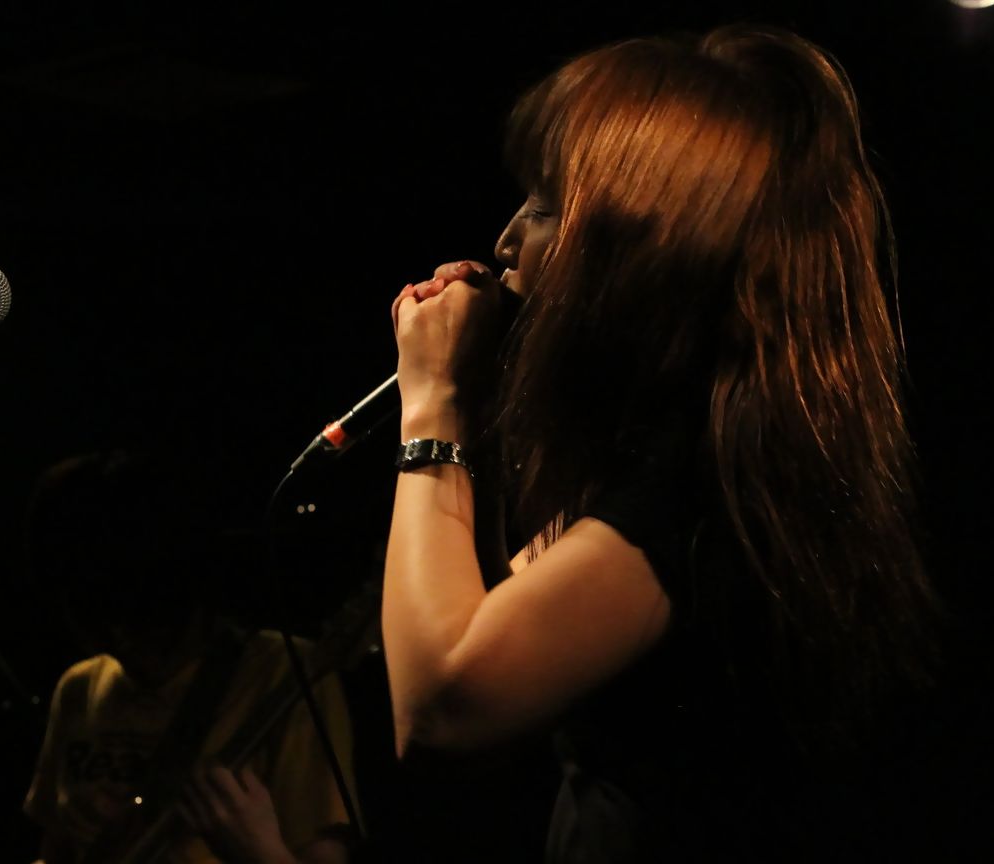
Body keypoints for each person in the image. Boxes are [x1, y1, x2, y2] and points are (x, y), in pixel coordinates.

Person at [382, 25, 940, 861]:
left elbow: (443, 710)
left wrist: (435, 405)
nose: (504, 243)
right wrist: (478, 414)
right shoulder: (679, 457)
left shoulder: (693, 489)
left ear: (640, 247)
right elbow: (494, 624)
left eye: (543, 208)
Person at [21, 450, 357, 864]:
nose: (119, 639)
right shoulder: (80, 687)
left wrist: (253, 851)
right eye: (92, 619)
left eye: (140, 621)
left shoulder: (285, 674)